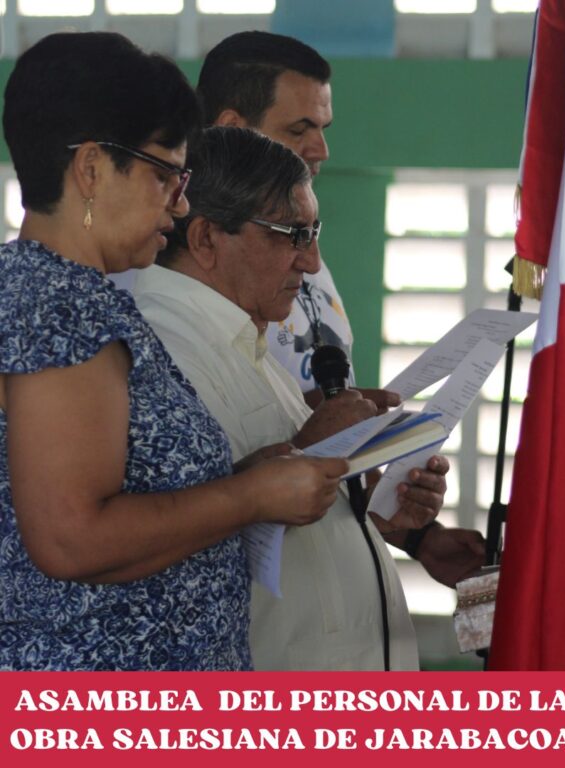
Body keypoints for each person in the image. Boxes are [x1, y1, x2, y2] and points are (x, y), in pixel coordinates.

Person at [0, 32, 346, 671]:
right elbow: (70, 539)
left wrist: (250, 476)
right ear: (93, 169)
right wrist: (250, 499)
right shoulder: (59, 302)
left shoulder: (75, 293)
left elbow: (121, 495)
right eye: (165, 174)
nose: (182, 202)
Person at [134, 127, 449, 669]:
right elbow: (146, 543)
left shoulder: (247, 342)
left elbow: (275, 520)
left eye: (314, 232)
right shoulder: (160, 348)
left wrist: (372, 516)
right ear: (207, 239)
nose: (311, 262)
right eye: (292, 234)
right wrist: (310, 448)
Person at [197, 30, 485, 588]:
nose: (321, 150)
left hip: (338, 584)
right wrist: (311, 430)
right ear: (233, 130)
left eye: (323, 129)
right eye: (298, 129)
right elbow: (183, 488)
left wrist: (410, 526)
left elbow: (328, 447)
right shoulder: (192, 271)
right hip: (251, 601)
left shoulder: (308, 262)